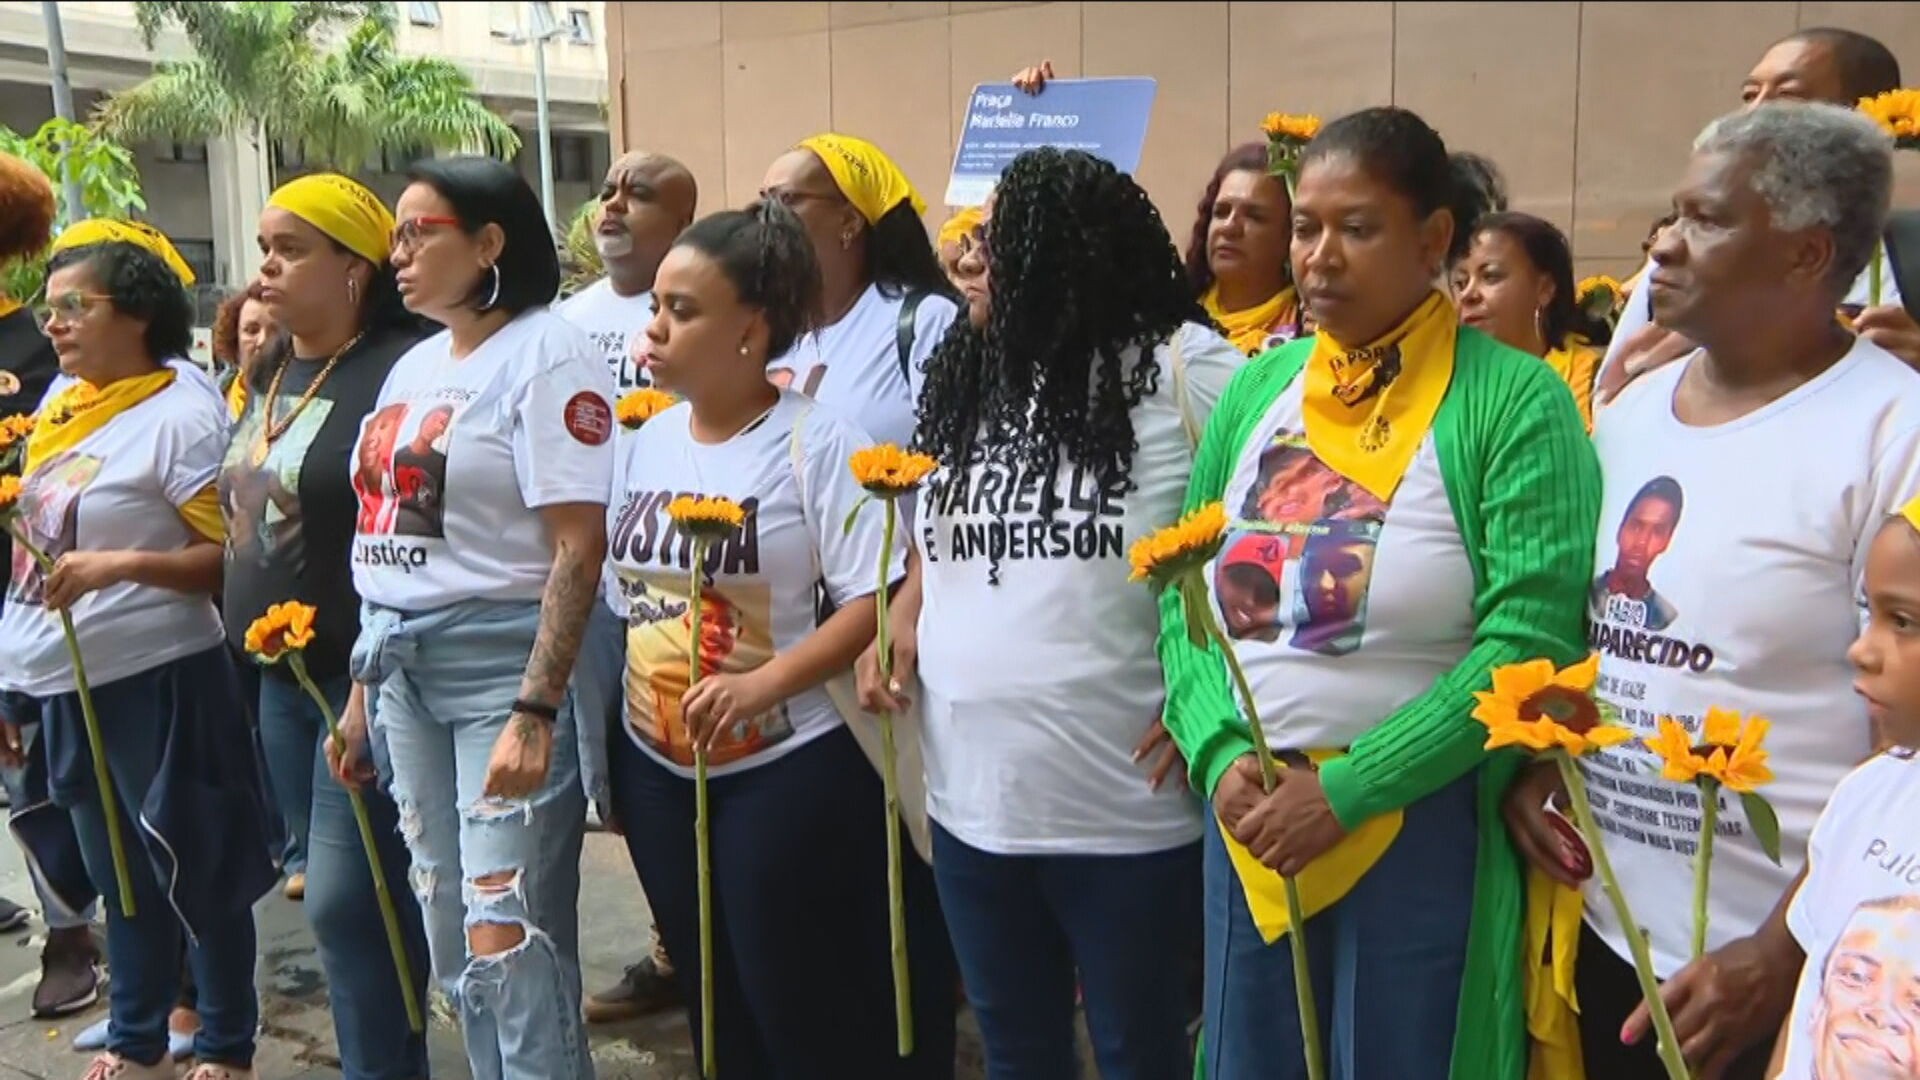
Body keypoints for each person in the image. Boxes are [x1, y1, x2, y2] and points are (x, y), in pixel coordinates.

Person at [1159, 107, 1599, 1079]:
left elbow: (1529, 642)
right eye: (1306, 227)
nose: (1318, 257)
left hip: (1418, 828)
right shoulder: (1255, 390)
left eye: (1356, 229)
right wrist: (1218, 750)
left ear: (1434, 240)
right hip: (1255, 825)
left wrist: (1352, 788)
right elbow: (1183, 596)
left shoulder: (1515, 402)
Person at [1503, 103, 1920, 1079]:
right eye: (1674, 216)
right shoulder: (1633, 408)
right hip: (1614, 937)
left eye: (1708, 221)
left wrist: (1782, 951)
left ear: (1808, 256)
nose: (1666, 251)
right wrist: (1544, 760)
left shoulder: (1893, 432)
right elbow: (1598, 624)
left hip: (1770, 971)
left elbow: (1905, 740)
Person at [864, 146, 1243, 1078]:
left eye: (1002, 240)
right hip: (971, 803)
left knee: (1138, 1053)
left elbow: (1276, 541)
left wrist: (1217, 697)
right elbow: (950, 538)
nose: (969, 257)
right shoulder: (969, 369)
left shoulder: (1186, 369)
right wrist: (906, 611)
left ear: (1068, 251)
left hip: (1127, 815)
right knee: (1017, 1051)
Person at [607, 198, 956, 1076]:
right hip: (658, 772)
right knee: (714, 1008)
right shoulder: (643, 440)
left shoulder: (816, 440)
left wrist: (765, 686)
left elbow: (871, 598)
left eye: (682, 311)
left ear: (752, 330)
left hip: (786, 773)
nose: (654, 329)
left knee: (799, 1004)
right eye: (655, 306)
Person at [331, 156, 611, 1080]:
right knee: (450, 925)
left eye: (420, 232)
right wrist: (362, 700)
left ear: (489, 242)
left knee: (511, 936)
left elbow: (578, 543)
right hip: (401, 670)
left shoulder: (548, 350)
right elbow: (385, 537)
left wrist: (536, 709)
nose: (396, 253)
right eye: (395, 235)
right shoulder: (413, 363)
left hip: (504, 670)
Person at [0, 221, 276, 1080]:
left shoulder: (181, 416)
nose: (54, 327)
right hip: (60, 681)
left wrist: (118, 565)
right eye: (50, 311)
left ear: (139, 313)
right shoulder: (62, 405)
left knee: (195, 863)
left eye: (76, 307)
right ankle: (136, 1031)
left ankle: (226, 1039)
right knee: (116, 871)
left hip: (157, 678)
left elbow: (231, 561)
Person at [219, 172, 434, 1080]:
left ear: (355, 267)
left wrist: (361, 683)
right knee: (351, 903)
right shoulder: (272, 366)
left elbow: (415, 539)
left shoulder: (402, 370)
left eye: (291, 248)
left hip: (362, 676)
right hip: (277, 679)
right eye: (265, 245)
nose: (266, 264)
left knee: (354, 900)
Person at [558, 150, 700, 1027]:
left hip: (690, 582)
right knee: (617, 783)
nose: (611, 205)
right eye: (607, 189)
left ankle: (702, 947)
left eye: (637, 194)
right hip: (594, 588)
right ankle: (674, 944)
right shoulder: (564, 323)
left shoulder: (712, 312)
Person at [1598, 26, 1914, 399]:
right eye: (1750, 95)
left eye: (1787, 96)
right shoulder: (1681, 256)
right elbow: (1610, 400)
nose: (1754, 113)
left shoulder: (1909, 256)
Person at [1767, 495, 1920, 1077]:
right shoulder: (1867, 796)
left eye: (1903, 621)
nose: (1862, 649)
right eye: (1869, 613)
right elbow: (1807, 1009)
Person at [760, 132, 959, 448]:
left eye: (786, 199)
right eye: (764, 199)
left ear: (849, 221)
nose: (767, 217)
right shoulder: (768, 326)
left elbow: (955, 463)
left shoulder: (927, 321)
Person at [1452, 211, 1612, 428]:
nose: (1467, 295)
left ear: (1544, 289)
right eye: (1461, 283)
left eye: (1490, 276)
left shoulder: (1599, 384)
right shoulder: (1443, 387)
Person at [1187, 143, 1308, 355]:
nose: (1229, 227)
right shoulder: (1173, 317)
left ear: (1291, 234)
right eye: (1221, 212)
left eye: (1254, 216)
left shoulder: (1312, 327)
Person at [209, 282, 275, 420]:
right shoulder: (210, 403)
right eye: (252, 330)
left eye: (275, 331)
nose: (262, 340)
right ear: (234, 338)